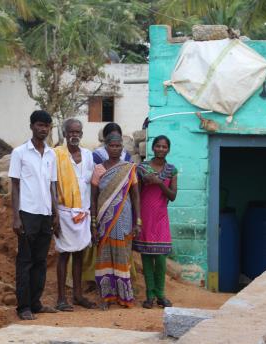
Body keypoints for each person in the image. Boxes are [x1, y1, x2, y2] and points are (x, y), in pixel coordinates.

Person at [9, 110, 60, 320]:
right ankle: (23, 307)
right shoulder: (20, 153)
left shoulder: (51, 154)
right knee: (25, 261)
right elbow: (15, 185)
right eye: (39, 125)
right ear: (32, 126)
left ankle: (36, 303)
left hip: (45, 214)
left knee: (40, 261)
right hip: (27, 213)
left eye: (47, 126)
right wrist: (16, 217)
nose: (43, 129)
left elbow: (52, 185)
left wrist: (56, 213)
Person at [90, 133, 141, 309]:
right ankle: (106, 297)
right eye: (112, 146)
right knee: (104, 256)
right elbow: (94, 198)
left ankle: (124, 297)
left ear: (122, 148)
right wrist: (94, 223)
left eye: (118, 146)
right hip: (104, 219)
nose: (115, 149)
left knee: (122, 256)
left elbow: (135, 196)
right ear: (106, 148)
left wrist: (138, 221)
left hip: (124, 217)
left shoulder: (128, 168)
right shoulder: (98, 169)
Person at [53, 119, 97, 311]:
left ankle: (78, 295)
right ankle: (62, 298)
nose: (74, 135)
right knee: (63, 254)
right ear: (64, 133)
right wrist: (54, 214)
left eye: (78, 132)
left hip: (83, 213)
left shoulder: (88, 155)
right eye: (71, 132)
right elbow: (52, 185)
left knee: (79, 253)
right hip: (63, 212)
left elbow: (91, 184)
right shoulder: (56, 155)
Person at [134, 135, 178, 309]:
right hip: (145, 216)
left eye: (164, 147)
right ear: (153, 148)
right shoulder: (142, 168)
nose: (161, 149)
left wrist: (159, 182)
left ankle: (160, 294)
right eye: (158, 146)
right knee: (146, 259)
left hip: (160, 218)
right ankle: (149, 296)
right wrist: (137, 219)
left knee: (160, 259)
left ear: (168, 149)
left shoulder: (171, 170)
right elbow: (136, 194)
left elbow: (173, 196)